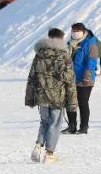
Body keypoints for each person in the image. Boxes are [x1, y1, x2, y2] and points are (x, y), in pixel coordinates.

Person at [25, 28, 76, 163]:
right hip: (57, 97)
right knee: (55, 124)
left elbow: (32, 77)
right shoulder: (64, 56)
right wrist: (72, 102)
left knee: (44, 122)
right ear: (60, 39)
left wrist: (30, 97)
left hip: (41, 96)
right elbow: (69, 80)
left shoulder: (39, 55)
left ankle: (38, 146)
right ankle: (49, 154)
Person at [64, 23, 97, 134]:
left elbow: (91, 61)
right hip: (71, 77)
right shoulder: (70, 44)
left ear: (83, 31)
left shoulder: (90, 43)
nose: (75, 33)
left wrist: (87, 76)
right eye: (73, 30)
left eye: (77, 30)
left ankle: (84, 127)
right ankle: (72, 126)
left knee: (82, 102)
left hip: (85, 79)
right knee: (70, 103)